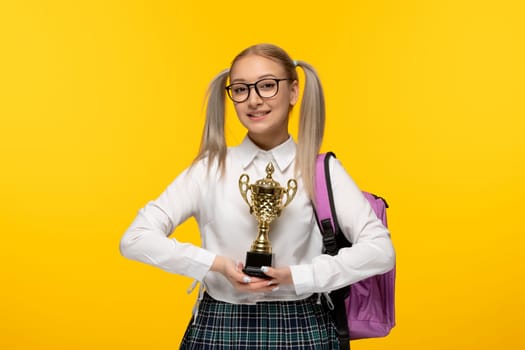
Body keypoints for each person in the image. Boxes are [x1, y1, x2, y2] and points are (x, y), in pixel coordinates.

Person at [120, 43, 395, 349]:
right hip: (220, 325)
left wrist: (301, 276)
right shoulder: (210, 168)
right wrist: (213, 264)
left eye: (267, 86)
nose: (253, 100)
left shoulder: (322, 170)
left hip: (303, 326)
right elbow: (135, 238)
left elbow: (381, 250)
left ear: (293, 92)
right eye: (240, 89)